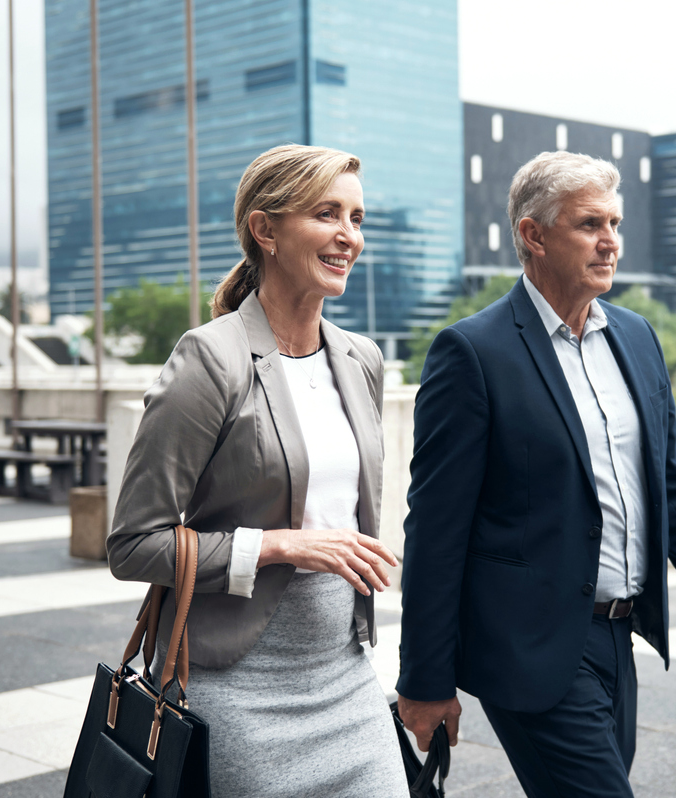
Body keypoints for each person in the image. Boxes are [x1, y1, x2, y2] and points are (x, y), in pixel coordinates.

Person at [395, 151, 676, 797]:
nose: (611, 243)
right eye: (589, 224)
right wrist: (424, 680)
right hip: (528, 647)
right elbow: (435, 529)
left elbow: (674, 487)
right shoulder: (472, 352)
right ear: (532, 235)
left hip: (618, 638)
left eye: (615, 224)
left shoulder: (636, 337)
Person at [108, 144, 407, 797]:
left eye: (356, 218)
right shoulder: (208, 360)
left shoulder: (361, 359)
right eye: (326, 213)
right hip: (234, 682)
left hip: (347, 673)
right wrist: (280, 546)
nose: (347, 236)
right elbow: (133, 544)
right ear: (264, 230)